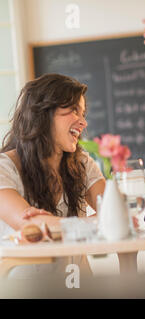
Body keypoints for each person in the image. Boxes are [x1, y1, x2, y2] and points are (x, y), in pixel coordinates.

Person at [0, 73, 105, 243]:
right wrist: (97, 222)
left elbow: (116, 215)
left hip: (80, 271)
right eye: (74, 110)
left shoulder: (83, 164)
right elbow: (32, 227)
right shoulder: (4, 168)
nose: (83, 123)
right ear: (43, 113)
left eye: (83, 113)